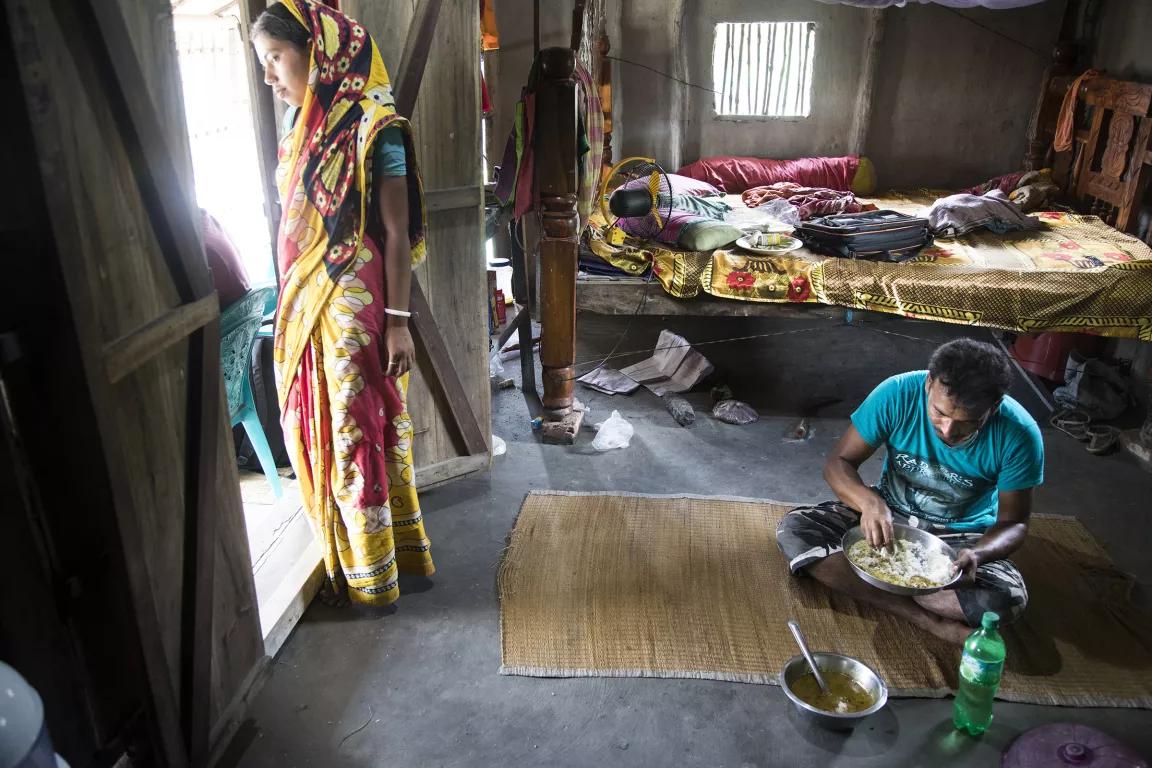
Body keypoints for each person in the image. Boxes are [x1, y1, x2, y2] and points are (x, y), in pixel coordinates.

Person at [251, 0, 433, 606]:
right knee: (317, 420)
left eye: (276, 59)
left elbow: (398, 233)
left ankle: (378, 570)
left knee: (359, 428)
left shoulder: (375, 124)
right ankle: (347, 555)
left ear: (317, 52)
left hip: (357, 303)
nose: (270, 76)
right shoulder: (296, 128)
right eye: (263, 63)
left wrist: (400, 324)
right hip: (307, 299)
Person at [776, 338, 1044, 645]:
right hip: (891, 513)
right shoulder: (897, 393)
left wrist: (978, 554)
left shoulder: (1019, 433)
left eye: (968, 423)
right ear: (929, 384)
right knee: (795, 531)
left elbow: (1014, 523)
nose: (948, 431)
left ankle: (894, 584)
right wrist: (869, 503)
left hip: (961, 538)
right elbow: (838, 463)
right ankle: (924, 617)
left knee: (1005, 601)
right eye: (939, 413)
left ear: (993, 407)